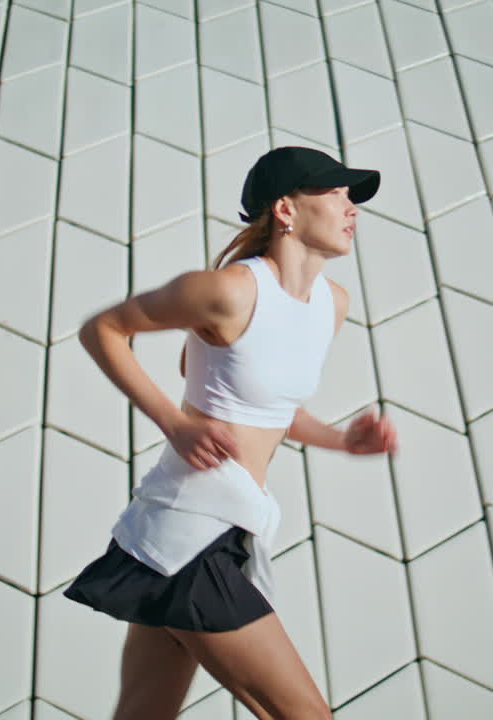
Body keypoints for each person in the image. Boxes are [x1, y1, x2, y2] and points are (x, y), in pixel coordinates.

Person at [64, 146, 399, 719]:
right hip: (189, 536)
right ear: (286, 209)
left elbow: (271, 409)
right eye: (336, 194)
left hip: (223, 532)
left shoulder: (332, 305)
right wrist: (174, 422)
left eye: (353, 198)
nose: (352, 209)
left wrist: (342, 440)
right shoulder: (228, 291)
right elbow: (103, 329)